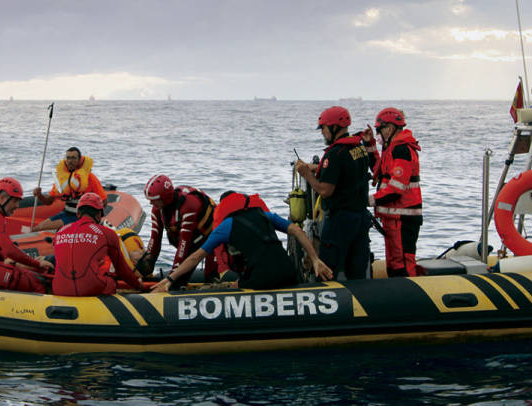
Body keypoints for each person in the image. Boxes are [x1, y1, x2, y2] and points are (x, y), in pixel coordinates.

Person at [151, 191, 333, 293]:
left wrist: (169, 279)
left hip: (263, 278)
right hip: (288, 272)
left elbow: (195, 257)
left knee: (226, 288)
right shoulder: (264, 215)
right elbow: (296, 230)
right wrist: (315, 259)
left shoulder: (226, 226)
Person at [295, 106, 371, 280]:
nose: (322, 133)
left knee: (327, 269)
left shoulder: (335, 154)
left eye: (323, 128)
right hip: (360, 217)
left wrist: (306, 174)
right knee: (357, 270)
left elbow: (325, 190)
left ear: (334, 127)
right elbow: (345, 173)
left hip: (340, 220)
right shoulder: (358, 148)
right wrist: (317, 167)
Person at [0, 177, 54, 292]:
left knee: (33, 273)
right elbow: (10, 250)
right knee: (40, 283)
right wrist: (37, 263)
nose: (17, 206)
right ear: (2, 198)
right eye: (15, 201)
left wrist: (18, 263)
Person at [364, 107, 423, 277]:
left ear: (389, 128)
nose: (378, 134)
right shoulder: (391, 149)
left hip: (403, 219)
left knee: (403, 264)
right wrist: (369, 145)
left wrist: (369, 200)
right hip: (393, 219)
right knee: (393, 264)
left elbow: (396, 189)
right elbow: (379, 170)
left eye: (379, 130)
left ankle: (411, 297)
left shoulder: (401, 150)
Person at [52, 193, 143, 296]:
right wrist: (138, 286)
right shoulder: (107, 233)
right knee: (110, 280)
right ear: (99, 215)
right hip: (89, 289)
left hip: (58, 289)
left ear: (78, 214)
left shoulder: (60, 231)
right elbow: (122, 270)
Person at [140, 174, 217, 285]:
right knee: (174, 276)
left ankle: (213, 282)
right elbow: (155, 238)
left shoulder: (189, 205)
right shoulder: (157, 209)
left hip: (209, 240)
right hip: (190, 242)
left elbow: (184, 245)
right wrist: (147, 264)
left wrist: (172, 277)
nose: (151, 203)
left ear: (164, 198)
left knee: (206, 278)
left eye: (154, 200)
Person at [32, 147, 107, 232]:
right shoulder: (62, 178)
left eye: (73, 158)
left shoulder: (90, 178)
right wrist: (39, 195)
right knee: (36, 228)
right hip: (66, 213)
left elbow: (104, 201)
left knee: (40, 229)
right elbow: (48, 201)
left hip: (80, 217)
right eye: (68, 158)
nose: (70, 161)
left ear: (79, 160)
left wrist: (91, 219)